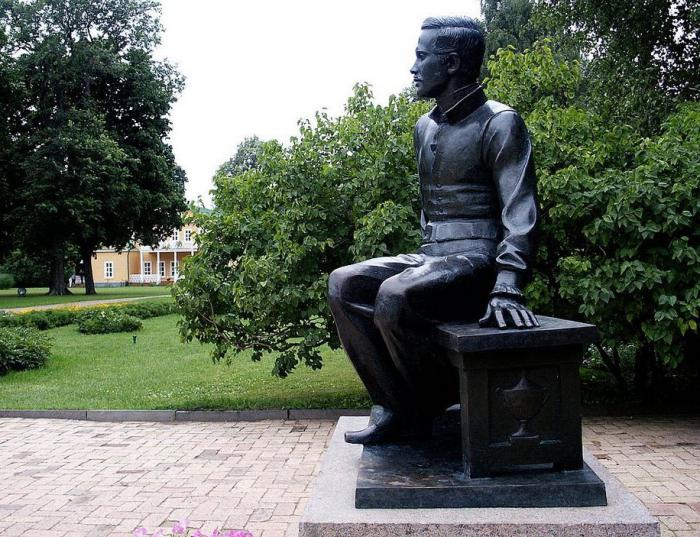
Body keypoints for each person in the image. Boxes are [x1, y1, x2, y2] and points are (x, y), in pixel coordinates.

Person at [327, 16, 539, 444]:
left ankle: (443, 406)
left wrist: (508, 282)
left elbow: (521, 210)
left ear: (453, 63)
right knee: (343, 284)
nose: (413, 68)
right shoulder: (424, 127)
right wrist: (428, 255)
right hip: (432, 255)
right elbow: (429, 210)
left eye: (421, 57)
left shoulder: (500, 123)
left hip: (480, 258)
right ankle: (398, 408)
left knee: (396, 295)